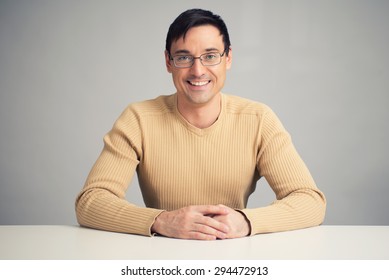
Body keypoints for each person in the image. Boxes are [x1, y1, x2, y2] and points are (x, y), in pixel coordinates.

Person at [75, 8, 326, 240]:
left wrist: (246, 221)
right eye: (184, 57)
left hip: (235, 257)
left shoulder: (258, 119)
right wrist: (162, 221)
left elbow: (310, 201)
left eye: (210, 56)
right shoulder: (138, 119)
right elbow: (91, 201)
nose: (198, 70)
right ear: (168, 62)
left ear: (228, 58)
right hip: (161, 258)